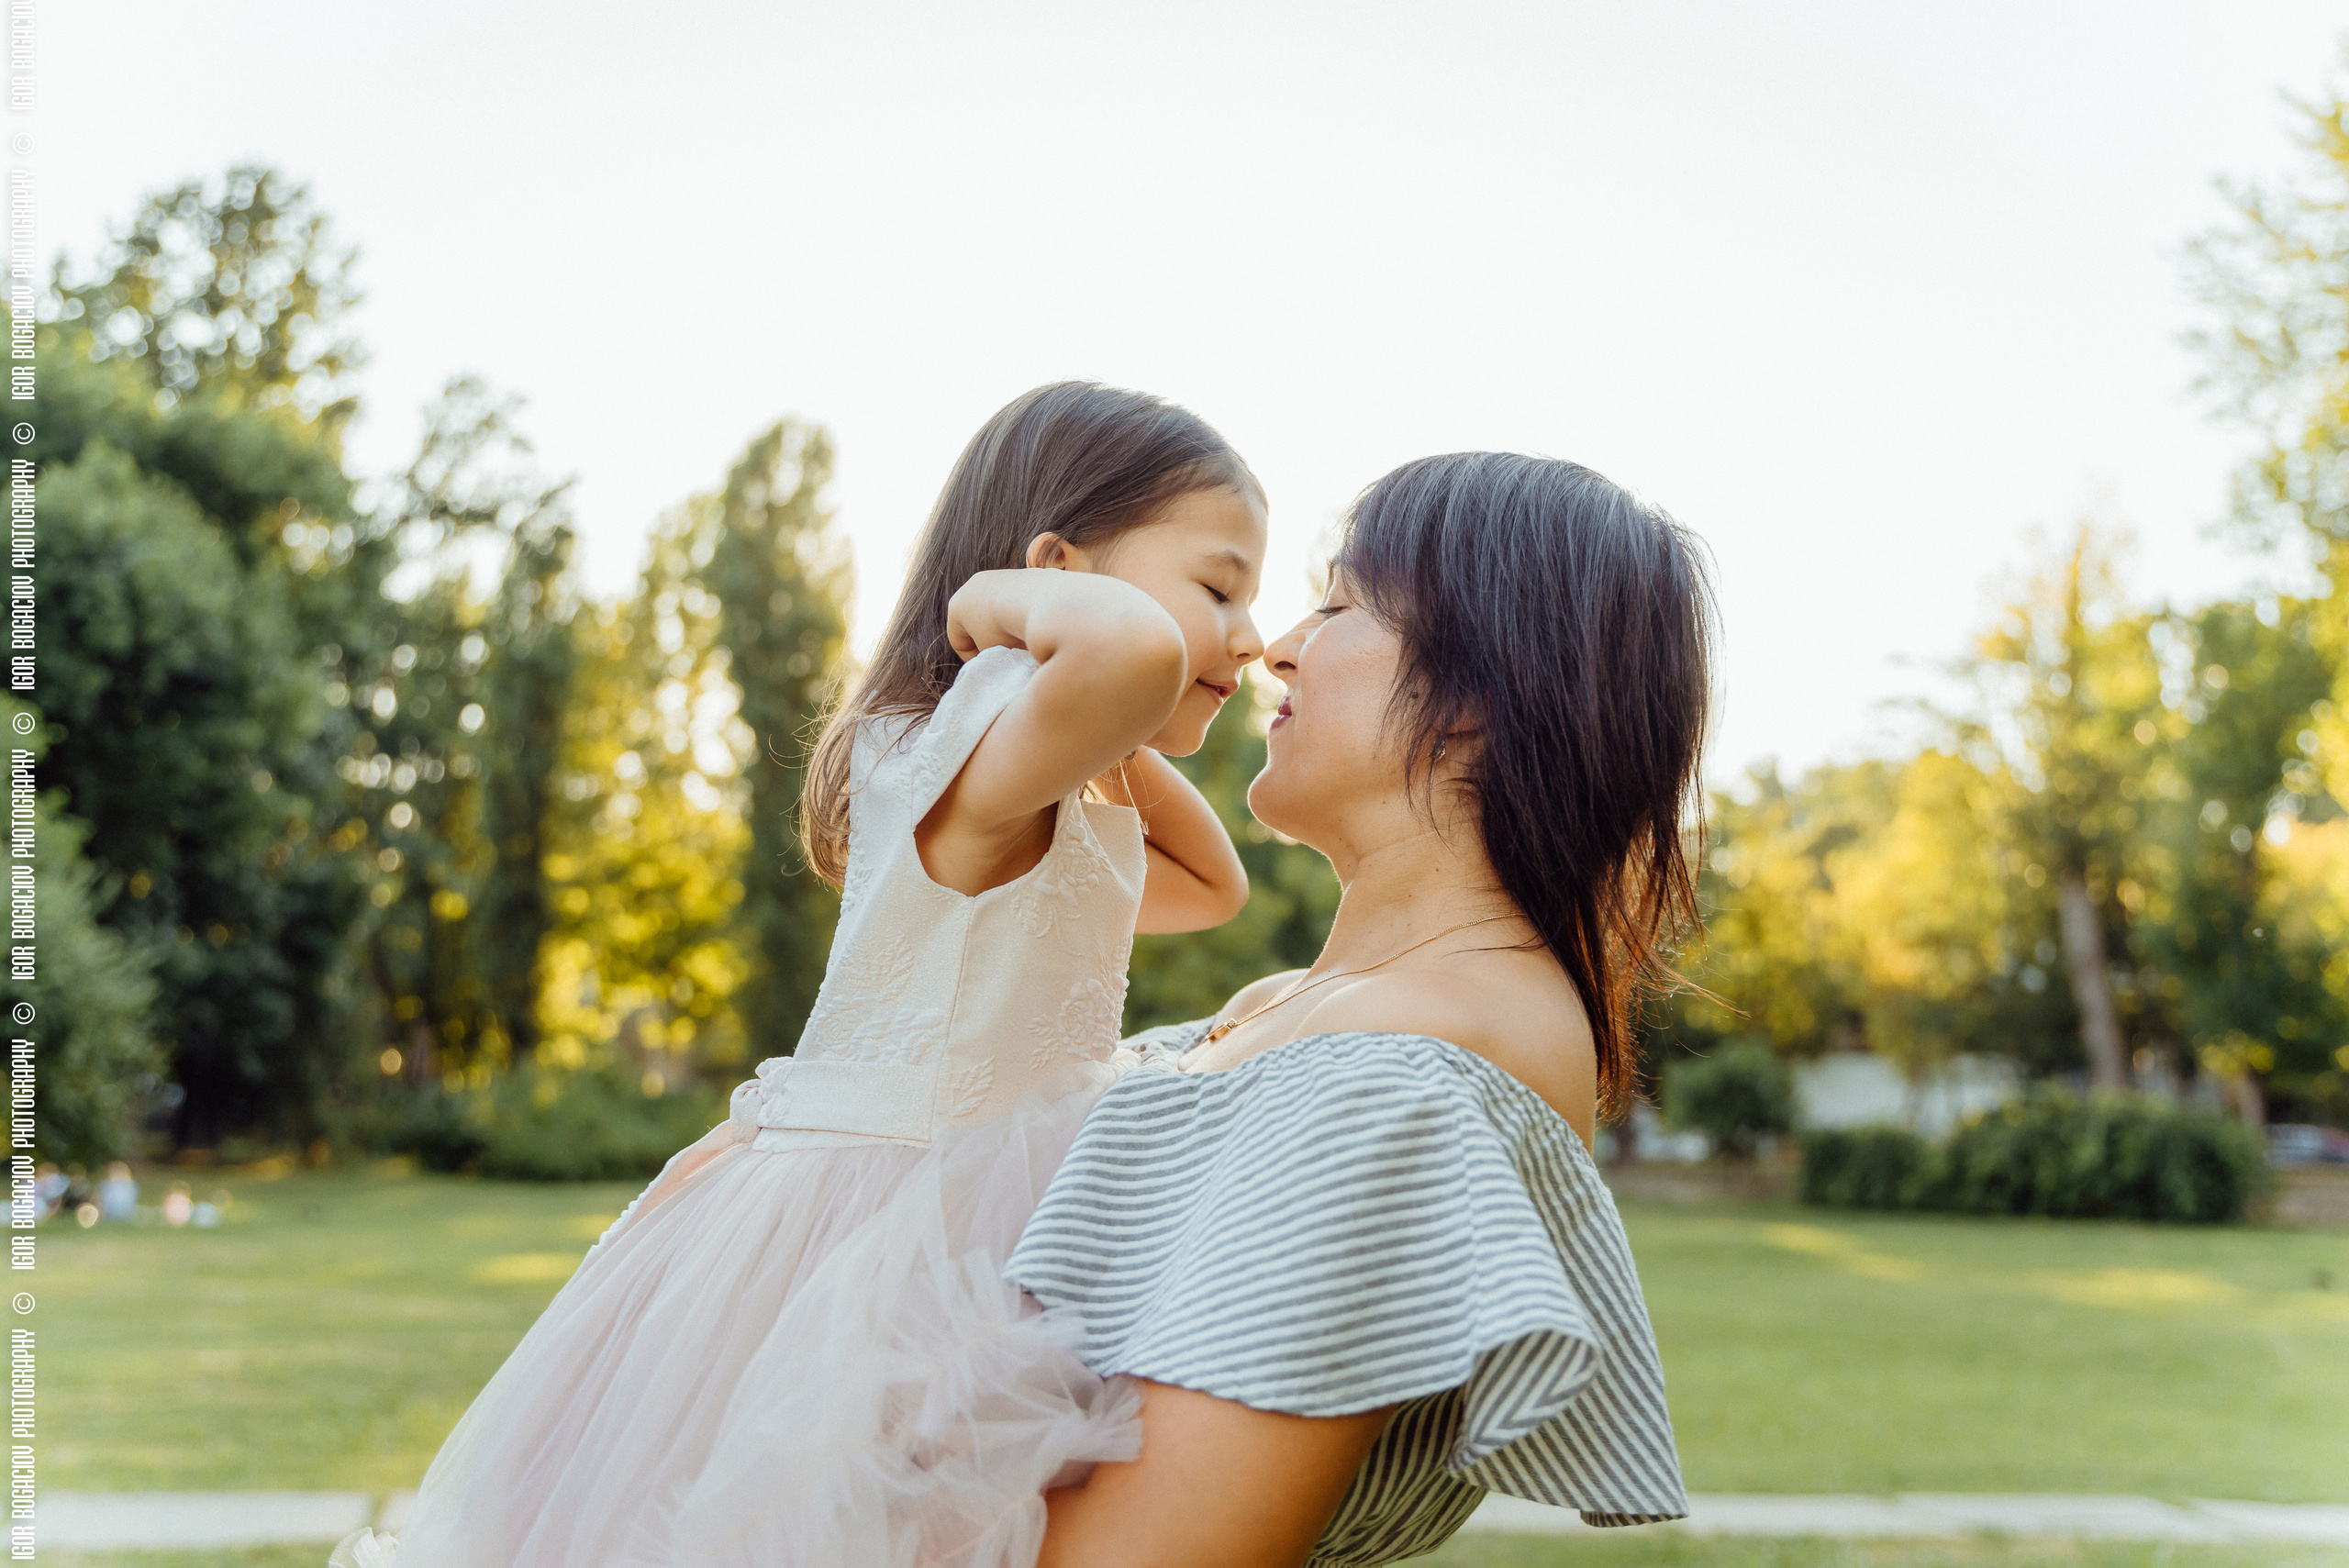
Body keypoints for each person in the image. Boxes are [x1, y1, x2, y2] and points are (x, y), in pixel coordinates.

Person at [335, 382, 1268, 1568]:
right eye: (1221, 585)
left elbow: (1210, 885)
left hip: (993, 1205)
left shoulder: (1045, 773)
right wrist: (1001, 607)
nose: (1247, 632)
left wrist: (1108, 731)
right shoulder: (973, 743)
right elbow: (1133, 649)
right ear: (1060, 570)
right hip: (895, 1218)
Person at [1008, 452, 1709, 1567]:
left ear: (1479, 692)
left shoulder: (1397, 1086)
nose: (1277, 645)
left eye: (1339, 602)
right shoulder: (1290, 1011)